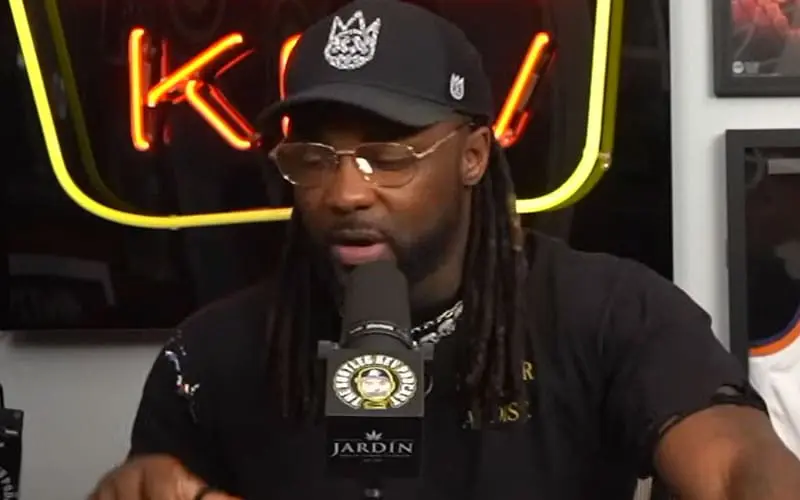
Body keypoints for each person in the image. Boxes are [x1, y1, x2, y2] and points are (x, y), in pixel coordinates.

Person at [89, 0, 800, 498]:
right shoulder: (211, 356)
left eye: (389, 157)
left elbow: (736, 463)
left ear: (473, 156)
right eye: (313, 158)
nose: (345, 193)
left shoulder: (609, 312)